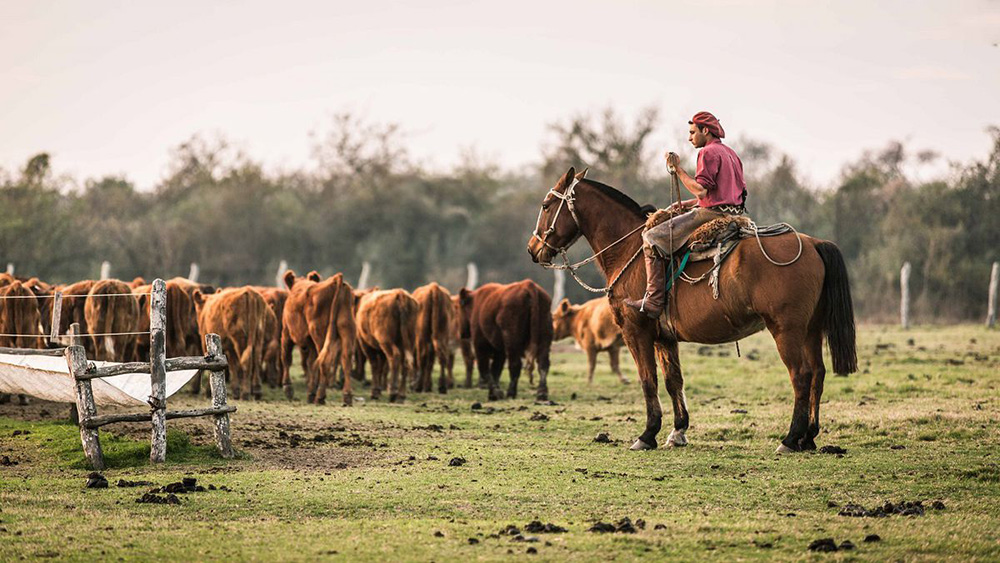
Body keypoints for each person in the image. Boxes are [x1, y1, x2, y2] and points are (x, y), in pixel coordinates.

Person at [623, 111, 747, 318]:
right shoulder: (730, 153)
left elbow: (701, 191)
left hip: (712, 215)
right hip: (733, 213)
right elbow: (720, 194)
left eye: (692, 132)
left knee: (651, 237)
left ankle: (653, 300)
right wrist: (685, 205)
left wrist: (677, 169)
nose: (689, 138)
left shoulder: (708, 153)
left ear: (705, 130)